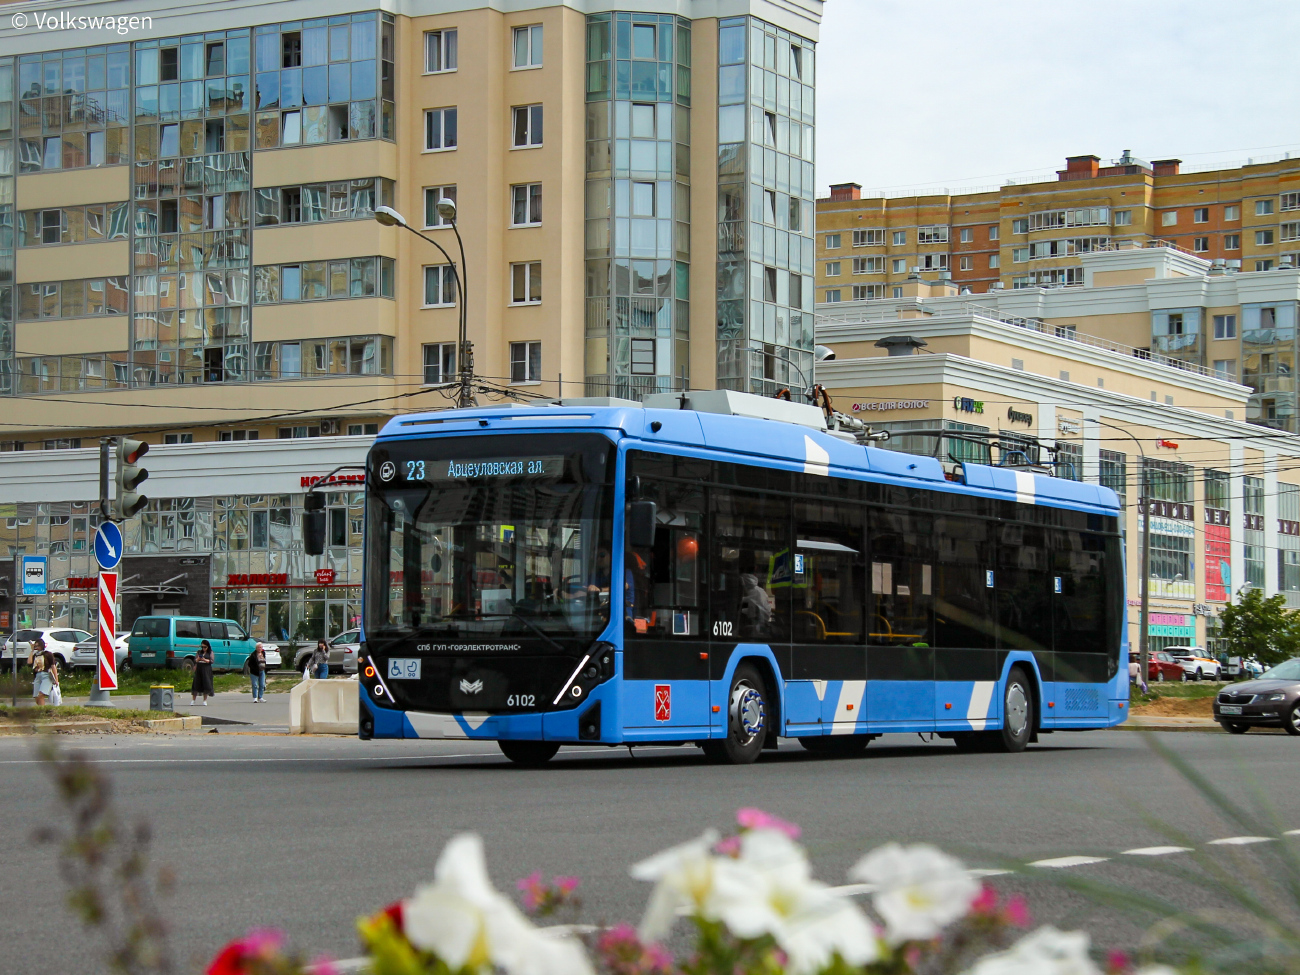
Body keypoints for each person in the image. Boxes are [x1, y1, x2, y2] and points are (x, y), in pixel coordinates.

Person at [190, 639, 215, 706]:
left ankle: (205, 700)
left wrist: (204, 659)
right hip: (199, 668)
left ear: (208, 647)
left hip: (206, 668)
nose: (203, 648)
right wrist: (198, 659)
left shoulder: (210, 652)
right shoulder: (199, 652)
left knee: (206, 683)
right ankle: (193, 700)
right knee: (196, 684)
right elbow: (195, 660)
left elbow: (211, 661)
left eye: (205, 647)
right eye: (202, 647)